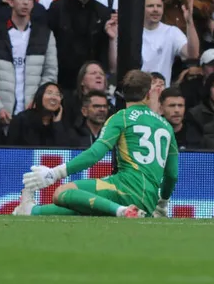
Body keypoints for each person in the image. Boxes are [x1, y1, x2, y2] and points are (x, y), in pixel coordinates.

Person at [16, 69, 175, 218]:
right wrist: (162, 204)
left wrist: (55, 173)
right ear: (148, 94)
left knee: (62, 193)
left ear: (122, 94)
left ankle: (121, 211)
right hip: (148, 200)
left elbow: (95, 154)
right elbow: (172, 174)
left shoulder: (121, 117)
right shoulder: (166, 125)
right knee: (92, 206)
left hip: (123, 188)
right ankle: (31, 211)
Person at [0, 0, 58, 129]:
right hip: (3, 115)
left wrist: (38, 102)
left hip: (34, 114)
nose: (25, 3)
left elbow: (50, 74)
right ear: (10, 1)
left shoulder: (45, 35)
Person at [142, 0, 199, 86]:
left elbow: (193, 54)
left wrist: (189, 22)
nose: (155, 9)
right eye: (150, 6)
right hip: (136, 95)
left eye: (159, 6)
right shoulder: (132, 31)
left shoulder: (172, 32)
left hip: (161, 94)